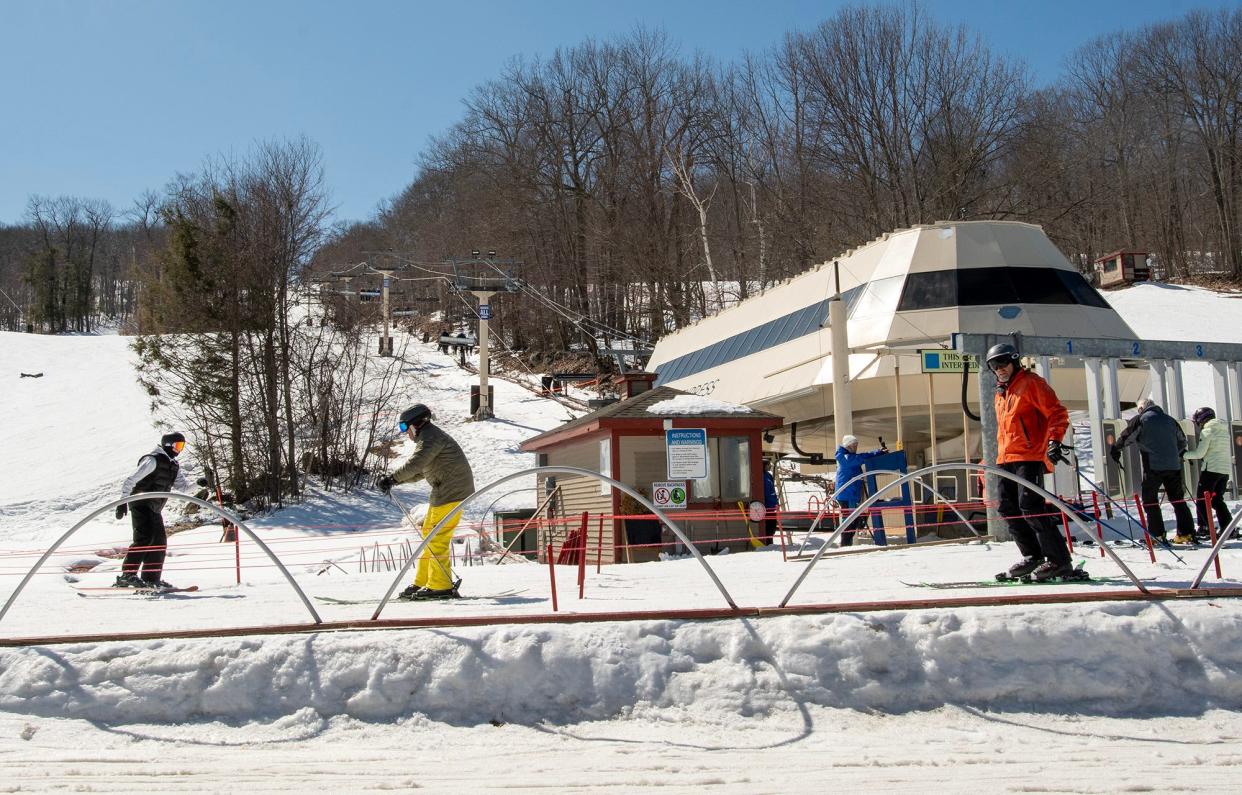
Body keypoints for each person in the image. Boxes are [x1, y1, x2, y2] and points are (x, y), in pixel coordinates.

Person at [987, 343, 1075, 582]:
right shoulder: (1001, 393)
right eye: (994, 366)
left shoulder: (1031, 383)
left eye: (1003, 363)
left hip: (1029, 455)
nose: (999, 369)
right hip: (1006, 457)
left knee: (1031, 507)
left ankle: (1059, 561)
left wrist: (1054, 441)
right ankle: (1033, 556)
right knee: (1008, 508)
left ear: (1014, 362)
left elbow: (1056, 413)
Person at [377, 404, 475, 600]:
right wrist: (394, 481)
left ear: (415, 424)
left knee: (436, 539)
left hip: (451, 493)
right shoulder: (430, 437)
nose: (405, 433)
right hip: (445, 492)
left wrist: (393, 478)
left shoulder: (431, 438)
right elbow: (421, 472)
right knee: (428, 537)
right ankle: (424, 581)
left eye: (404, 428)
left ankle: (440, 586)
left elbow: (416, 464)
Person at [1111, 397, 1194, 544]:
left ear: (1141, 409)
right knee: (1177, 500)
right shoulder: (1170, 420)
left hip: (1153, 466)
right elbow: (1182, 441)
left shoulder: (1141, 419)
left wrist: (1116, 448)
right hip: (1174, 466)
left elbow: (1127, 436)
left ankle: (1157, 534)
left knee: (1150, 500)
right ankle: (1186, 533)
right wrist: (1173, 454)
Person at [116, 432, 193, 589]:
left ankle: (151, 579)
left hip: (155, 507)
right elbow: (130, 480)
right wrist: (122, 502)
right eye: (178, 445)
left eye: (182, 446)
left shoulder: (173, 465)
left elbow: (184, 488)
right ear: (167, 445)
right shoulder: (151, 460)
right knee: (144, 538)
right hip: (140, 503)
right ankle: (127, 576)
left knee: (159, 542)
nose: (180, 449)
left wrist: (201, 483)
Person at [1183, 406, 1234, 542]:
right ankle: (1228, 527)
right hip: (1224, 471)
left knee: (1202, 499)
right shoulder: (1224, 430)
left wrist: (1184, 454)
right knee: (1217, 500)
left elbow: (1200, 453)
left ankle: (1204, 527)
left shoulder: (1208, 431)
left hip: (1210, 470)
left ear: (1202, 419)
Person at [833, 434, 887, 547]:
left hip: (851, 493)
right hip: (847, 495)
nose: (856, 447)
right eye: (854, 445)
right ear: (848, 446)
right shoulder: (845, 457)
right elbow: (862, 457)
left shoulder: (848, 456)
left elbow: (860, 457)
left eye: (856, 445)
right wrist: (878, 452)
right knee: (850, 520)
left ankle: (847, 543)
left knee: (853, 519)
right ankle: (845, 544)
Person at [762, 460, 780, 544]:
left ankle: (770, 541)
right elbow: (766, 493)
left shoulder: (768, 475)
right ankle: (768, 542)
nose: (770, 466)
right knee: (769, 526)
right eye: (768, 465)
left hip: (772, 506)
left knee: (772, 525)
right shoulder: (763, 478)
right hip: (767, 507)